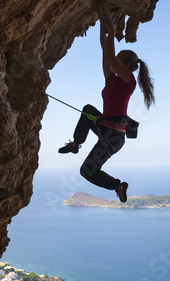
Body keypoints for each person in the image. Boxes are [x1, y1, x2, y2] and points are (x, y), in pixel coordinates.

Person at [58, 16, 155, 202]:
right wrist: (102, 31)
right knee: (87, 109)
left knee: (87, 171)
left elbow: (110, 55)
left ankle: (118, 185)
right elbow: (106, 54)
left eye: (118, 61)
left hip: (113, 137)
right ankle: (76, 144)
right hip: (106, 128)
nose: (113, 63)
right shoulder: (112, 79)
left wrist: (111, 28)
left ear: (126, 66)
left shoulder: (128, 79)